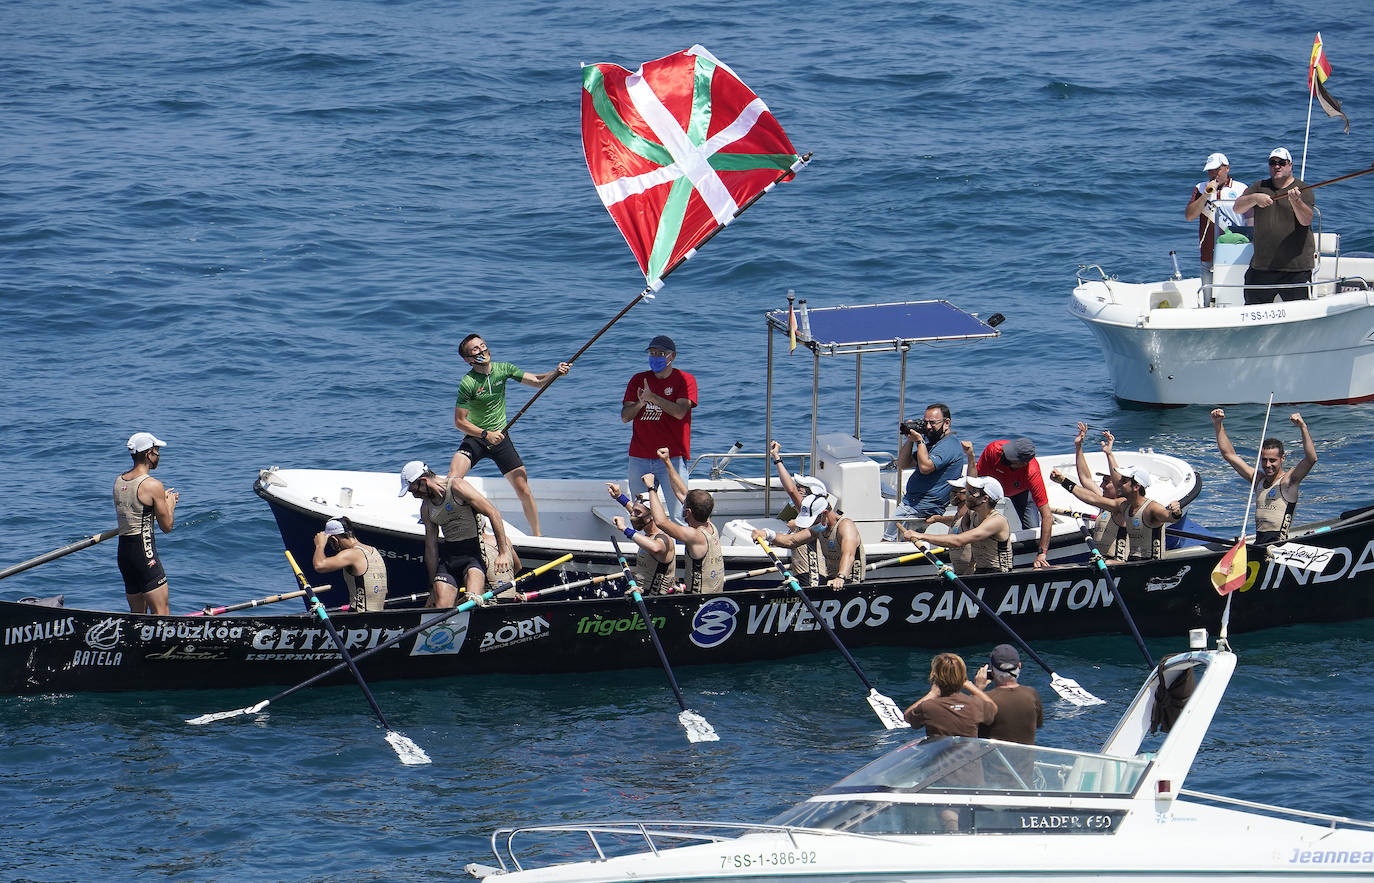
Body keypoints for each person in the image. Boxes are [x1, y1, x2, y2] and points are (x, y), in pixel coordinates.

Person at [448, 333, 570, 537]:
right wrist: (485, 434)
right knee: (453, 479)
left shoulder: (503, 369)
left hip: (501, 438)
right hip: (477, 438)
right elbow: (460, 422)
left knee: (523, 488)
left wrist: (556, 373)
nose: (482, 350)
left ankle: (538, 536)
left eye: (483, 345)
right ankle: (439, 518)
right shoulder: (468, 383)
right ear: (468, 360)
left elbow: (537, 381)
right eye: (475, 349)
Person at [902, 652, 997, 831]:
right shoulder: (974, 705)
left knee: (948, 810)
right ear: (963, 677)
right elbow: (992, 708)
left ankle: (951, 830)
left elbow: (907, 716)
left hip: (942, 776)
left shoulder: (929, 707)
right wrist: (974, 687)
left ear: (935, 678)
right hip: (973, 776)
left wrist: (932, 693)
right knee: (970, 822)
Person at [402, 460, 514, 608]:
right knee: (442, 607)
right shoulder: (426, 508)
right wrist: (432, 588)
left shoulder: (457, 487)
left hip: (473, 558)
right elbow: (431, 547)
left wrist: (503, 552)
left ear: (424, 481)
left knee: (471, 603)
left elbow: (493, 513)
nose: (415, 496)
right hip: (449, 561)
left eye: (414, 491)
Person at [753, 458, 864, 588]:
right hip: (831, 581)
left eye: (813, 520)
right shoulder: (820, 527)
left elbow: (849, 555)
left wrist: (840, 577)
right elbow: (792, 541)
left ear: (824, 513)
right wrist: (767, 534)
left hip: (850, 583)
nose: (811, 525)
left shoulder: (845, 526)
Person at [1210, 409, 1316, 544]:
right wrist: (1217, 424)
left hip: (1278, 546)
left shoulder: (1288, 481)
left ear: (1282, 458)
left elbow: (1311, 459)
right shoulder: (1258, 480)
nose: (1267, 465)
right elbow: (1229, 455)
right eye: (1264, 460)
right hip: (1259, 544)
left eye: (1272, 460)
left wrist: (1302, 427)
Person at [621, 335, 696, 513]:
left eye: (661, 354)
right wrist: (641, 403)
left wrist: (653, 397)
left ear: (672, 356)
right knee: (641, 513)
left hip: (672, 458)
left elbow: (680, 412)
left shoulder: (685, 379)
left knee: (680, 512)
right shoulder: (638, 379)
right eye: (652, 353)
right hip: (639, 456)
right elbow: (625, 416)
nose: (655, 357)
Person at [1232, 147, 1316, 304]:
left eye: (1281, 163)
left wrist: (1296, 201)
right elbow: (1237, 208)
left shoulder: (1303, 189)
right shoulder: (1259, 187)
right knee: (1252, 308)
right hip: (1262, 266)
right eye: (1273, 163)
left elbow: (1306, 220)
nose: (1277, 166)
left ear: (1290, 165)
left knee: (1297, 311)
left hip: (1295, 268)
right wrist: (1254, 198)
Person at [1049, 463, 1183, 560]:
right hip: (1132, 565)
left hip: (1152, 568)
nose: (1118, 483)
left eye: (1123, 481)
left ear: (1136, 487)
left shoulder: (1152, 508)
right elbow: (1093, 499)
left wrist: (1176, 511)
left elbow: (1171, 518)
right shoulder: (1123, 506)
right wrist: (1063, 481)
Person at [114, 432, 177, 615]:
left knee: (137, 615)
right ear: (149, 454)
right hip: (144, 553)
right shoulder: (152, 485)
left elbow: (137, 512)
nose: (158, 455)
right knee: (161, 613)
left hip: (124, 554)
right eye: (157, 451)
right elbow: (167, 527)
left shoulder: (119, 481)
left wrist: (159, 505)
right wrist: (169, 504)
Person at [902, 475, 1012, 574]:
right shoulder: (975, 515)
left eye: (972, 492)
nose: (967, 495)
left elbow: (958, 540)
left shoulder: (996, 521)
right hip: (980, 571)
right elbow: (956, 521)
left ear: (985, 498)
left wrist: (920, 536)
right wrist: (937, 519)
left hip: (999, 574)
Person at [886, 403, 964, 541]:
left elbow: (926, 468)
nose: (928, 427)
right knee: (899, 543)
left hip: (919, 507)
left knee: (888, 542)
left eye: (932, 423)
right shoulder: (934, 444)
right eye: (925, 422)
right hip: (913, 504)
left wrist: (920, 441)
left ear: (946, 423)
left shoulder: (948, 445)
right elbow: (903, 464)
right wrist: (910, 440)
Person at [641, 471, 724, 594]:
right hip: (716, 595)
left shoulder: (695, 536)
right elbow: (682, 493)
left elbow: (661, 522)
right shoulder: (709, 524)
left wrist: (651, 488)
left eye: (683, 505)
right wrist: (668, 464)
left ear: (688, 512)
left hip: (697, 600)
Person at [975, 438, 1052, 568]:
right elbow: (977, 482)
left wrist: (1042, 552)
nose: (1004, 457)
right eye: (1007, 453)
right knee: (976, 515)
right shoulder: (994, 450)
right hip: (991, 489)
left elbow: (1047, 516)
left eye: (1011, 458)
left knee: (1032, 530)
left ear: (1023, 463)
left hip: (1021, 492)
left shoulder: (1032, 472)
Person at [1184, 152, 1249, 290]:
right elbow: (1189, 216)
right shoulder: (1200, 188)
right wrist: (1206, 195)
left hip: (1235, 251)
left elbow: (1250, 219)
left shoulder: (1241, 189)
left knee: (1233, 292)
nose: (1213, 174)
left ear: (1227, 168)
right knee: (1208, 296)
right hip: (1209, 254)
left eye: (1217, 169)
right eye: (1210, 170)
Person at [1071, 422, 1129, 560]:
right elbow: (1086, 479)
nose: (1102, 486)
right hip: (1101, 560)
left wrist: (1109, 454)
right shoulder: (1103, 500)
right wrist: (1078, 447)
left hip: (1118, 563)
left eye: (1106, 482)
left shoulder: (1125, 505)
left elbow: (1118, 480)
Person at [606, 484, 677, 594]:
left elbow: (656, 548)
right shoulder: (647, 532)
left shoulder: (663, 538)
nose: (632, 516)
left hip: (656, 598)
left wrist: (625, 529)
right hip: (640, 592)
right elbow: (637, 510)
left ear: (652, 515)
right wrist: (619, 497)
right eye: (633, 511)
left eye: (637, 513)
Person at [311, 516, 389, 612]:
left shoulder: (352, 553)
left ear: (334, 539)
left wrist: (319, 545)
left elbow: (319, 566)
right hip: (379, 615)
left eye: (330, 543)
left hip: (360, 617)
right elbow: (385, 590)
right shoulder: (374, 551)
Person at [972, 644, 1043, 745]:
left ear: (992, 671)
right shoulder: (1032, 694)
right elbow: (1038, 724)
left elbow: (964, 723)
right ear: (1019, 666)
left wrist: (977, 689)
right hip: (1025, 756)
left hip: (993, 756)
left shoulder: (985, 699)